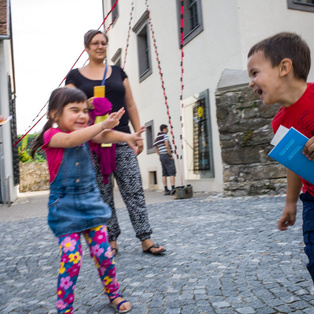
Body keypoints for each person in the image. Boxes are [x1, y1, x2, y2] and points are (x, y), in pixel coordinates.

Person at [30, 87, 144, 313]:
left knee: (104, 255)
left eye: (85, 110)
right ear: (54, 114)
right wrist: (101, 124)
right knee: (71, 259)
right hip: (65, 210)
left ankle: (114, 294)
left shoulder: (86, 134)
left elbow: (103, 136)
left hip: (91, 205)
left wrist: (127, 136)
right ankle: (65, 307)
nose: (83, 116)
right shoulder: (52, 136)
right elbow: (73, 139)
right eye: (75, 110)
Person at [65, 29, 166, 256]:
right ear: (86, 47)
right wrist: (85, 104)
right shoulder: (75, 77)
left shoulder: (118, 72)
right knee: (102, 194)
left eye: (103, 42)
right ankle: (110, 240)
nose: (100, 46)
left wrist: (138, 134)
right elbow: (68, 107)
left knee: (134, 189)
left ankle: (145, 238)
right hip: (92, 142)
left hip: (122, 137)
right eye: (95, 43)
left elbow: (130, 104)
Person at [247, 32, 314, 288]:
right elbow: (293, 163)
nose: (251, 82)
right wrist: (290, 204)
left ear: (284, 67)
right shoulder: (279, 122)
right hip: (312, 199)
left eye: (255, 73)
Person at [153, 124, 176, 195]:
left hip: (161, 156)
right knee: (172, 172)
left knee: (164, 173)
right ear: (164, 129)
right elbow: (167, 145)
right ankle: (173, 189)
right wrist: (170, 155)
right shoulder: (165, 135)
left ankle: (166, 190)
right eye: (167, 129)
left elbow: (156, 149)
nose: (168, 130)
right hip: (167, 155)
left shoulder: (157, 138)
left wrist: (160, 155)